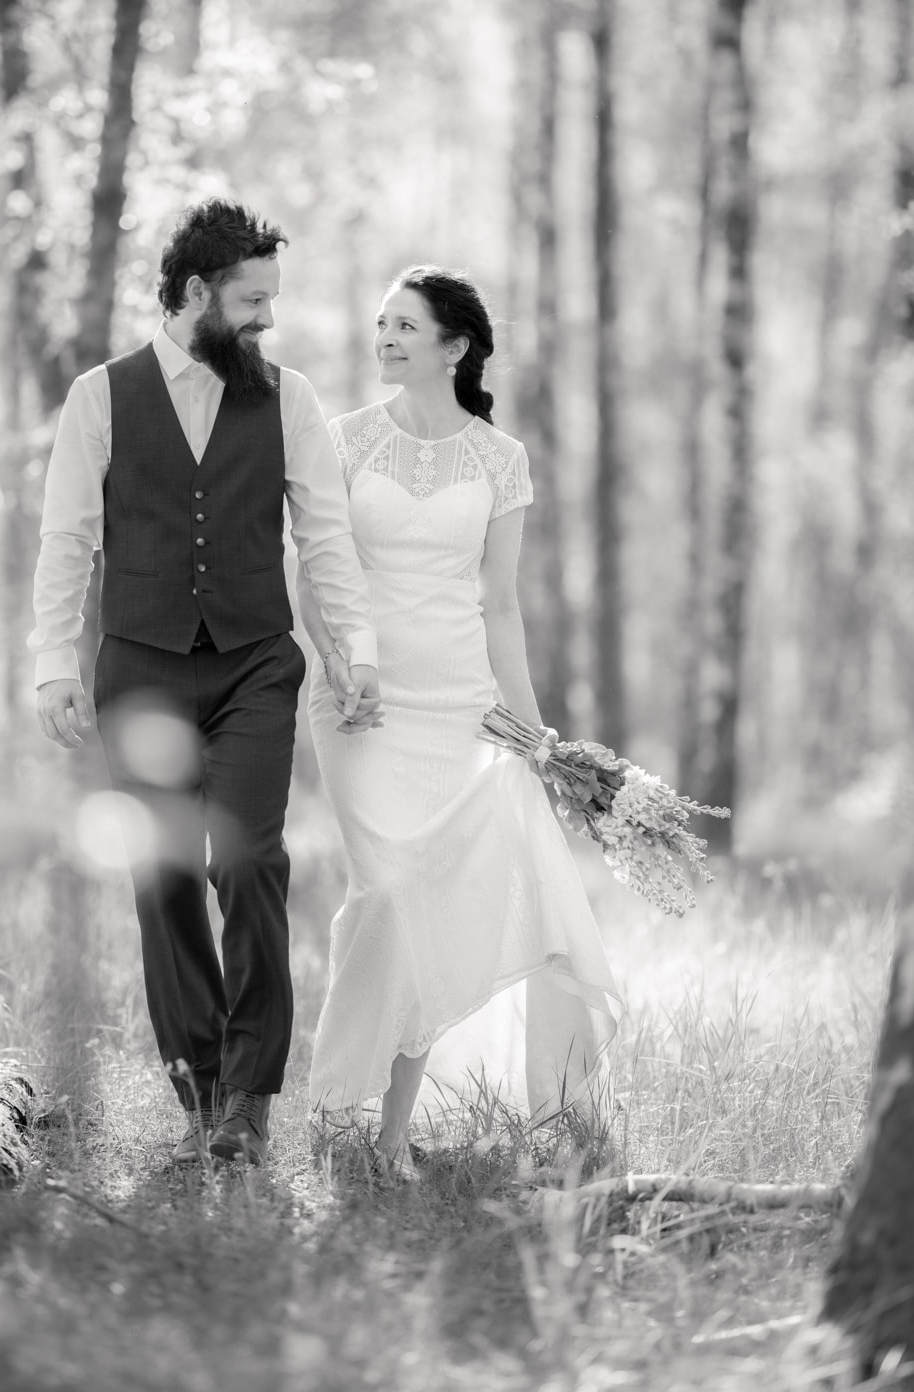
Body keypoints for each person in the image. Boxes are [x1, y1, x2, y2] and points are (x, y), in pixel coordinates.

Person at [30, 198, 382, 1169]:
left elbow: (325, 538)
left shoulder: (292, 400)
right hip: (139, 666)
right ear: (197, 293)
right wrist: (53, 662)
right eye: (252, 298)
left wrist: (359, 649)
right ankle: (199, 1092)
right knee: (166, 874)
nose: (268, 317)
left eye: (272, 297)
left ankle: (253, 1098)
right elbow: (67, 540)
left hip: (256, 665)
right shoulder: (100, 397)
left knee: (249, 858)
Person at [299, 266, 623, 1178]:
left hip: (462, 707)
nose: (387, 338)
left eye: (407, 326)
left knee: (422, 907)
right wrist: (333, 661)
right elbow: (312, 573)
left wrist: (536, 735)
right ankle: (333, 1104)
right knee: (391, 890)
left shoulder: (499, 458)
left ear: (456, 346)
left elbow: (503, 609)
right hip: (360, 704)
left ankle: (389, 1131)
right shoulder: (343, 441)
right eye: (382, 324)